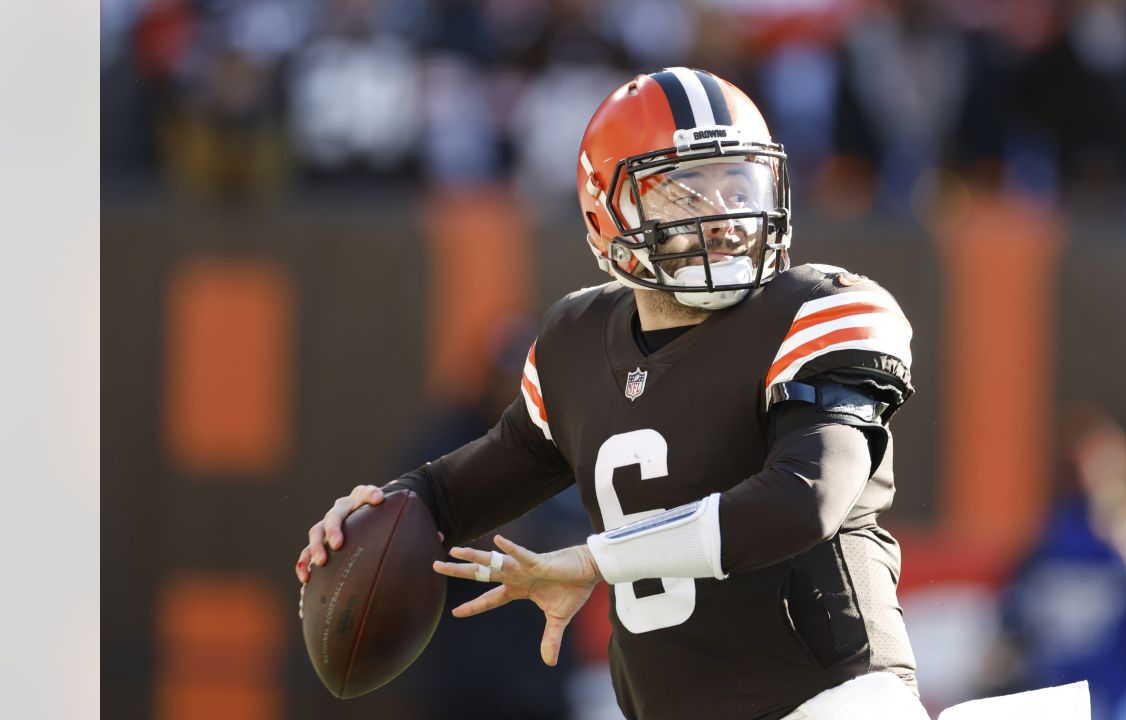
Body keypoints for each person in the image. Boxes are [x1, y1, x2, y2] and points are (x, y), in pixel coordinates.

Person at [296, 67, 927, 720]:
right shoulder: (576, 342)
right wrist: (379, 511)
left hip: (832, 706)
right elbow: (453, 494)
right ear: (608, 214)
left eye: (739, 182)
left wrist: (595, 560)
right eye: (687, 194)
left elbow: (806, 499)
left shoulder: (821, 308)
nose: (727, 215)